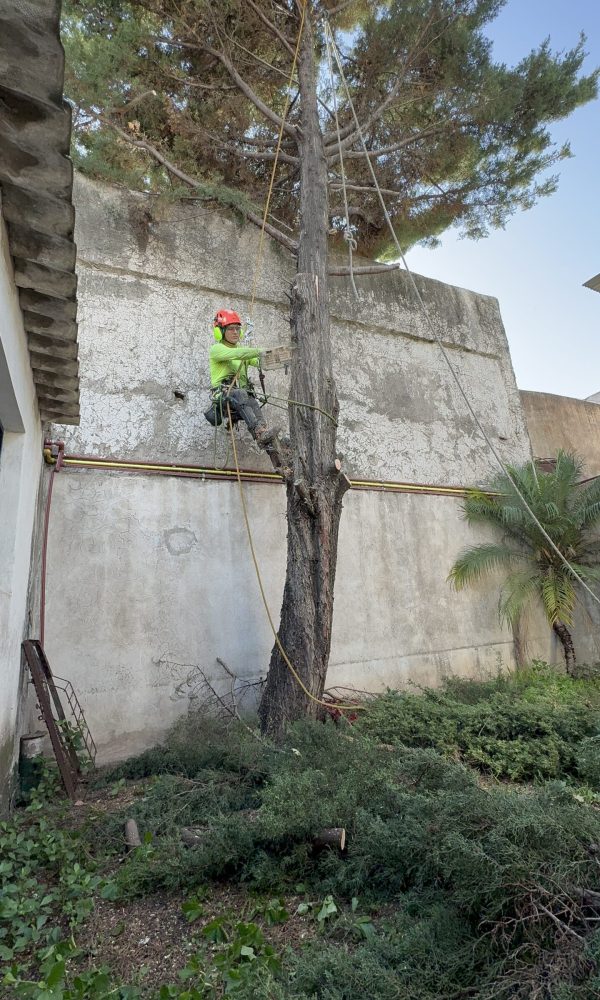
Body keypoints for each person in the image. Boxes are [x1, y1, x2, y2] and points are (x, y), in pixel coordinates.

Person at [206, 309, 276, 445]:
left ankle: (264, 431)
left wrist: (277, 357)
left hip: (239, 396)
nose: (235, 332)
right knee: (240, 393)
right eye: (231, 329)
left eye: (238, 329)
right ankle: (258, 432)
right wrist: (257, 351)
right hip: (223, 396)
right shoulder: (217, 349)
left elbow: (259, 362)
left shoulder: (242, 353)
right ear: (220, 331)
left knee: (252, 399)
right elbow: (238, 354)